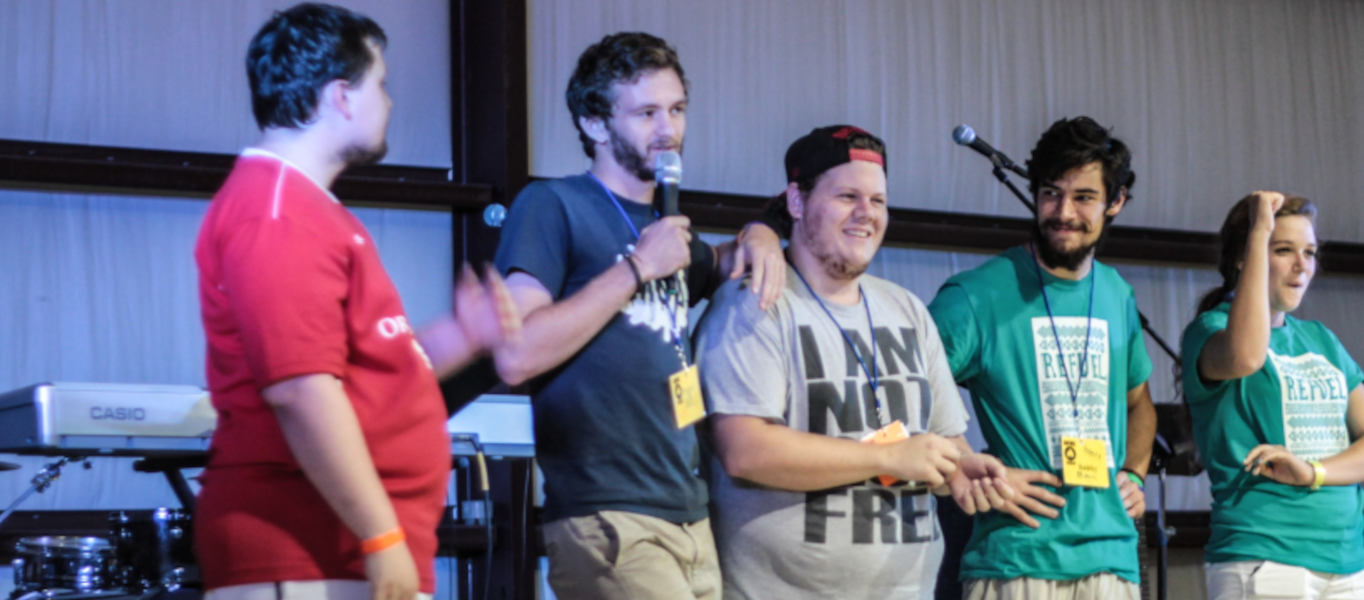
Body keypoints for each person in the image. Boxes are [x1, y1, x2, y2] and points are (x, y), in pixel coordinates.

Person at [194, 4, 519, 600]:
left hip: (342, 551)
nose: (388, 103)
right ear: (341, 96)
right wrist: (379, 535)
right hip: (307, 549)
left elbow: (361, 374)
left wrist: (459, 338)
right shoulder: (276, 213)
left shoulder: (308, 209)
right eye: (381, 85)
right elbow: (301, 390)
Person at [490, 31, 784, 600]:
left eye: (677, 110)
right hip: (608, 514)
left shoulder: (666, 228)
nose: (668, 130)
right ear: (595, 124)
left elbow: (725, 261)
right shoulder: (553, 205)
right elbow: (518, 351)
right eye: (647, 113)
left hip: (689, 514)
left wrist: (760, 232)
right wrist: (636, 269)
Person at [695, 126, 1013, 600]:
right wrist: (886, 456)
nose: (867, 213)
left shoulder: (907, 310)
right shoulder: (757, 302)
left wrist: (958, 468)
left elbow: (943, 437)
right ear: (796, 202)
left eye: (878, 200)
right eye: (848, 196)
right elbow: (745, 450)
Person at [928, 117, 1156, 600]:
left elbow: (1139, 404)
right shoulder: (975, 295)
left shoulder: (1117, 294)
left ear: (1115, 201)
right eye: (1051, 193)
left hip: (1112, 560)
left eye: (1084, 197)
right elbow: (901, 392)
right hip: (1016, 558)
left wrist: (1134, 473)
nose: (1064, 212)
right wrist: (964, 462)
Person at [1181, 192, 1364, 600]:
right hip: (1265, 555)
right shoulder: (1209, 331)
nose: (1302, 265)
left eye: (1309, 252)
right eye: (1282, 250)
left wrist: (1312, 472)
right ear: (1243, 257)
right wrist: (1259, 227)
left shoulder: (1321, 339)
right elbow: (1247, 356)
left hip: (1345, 559)